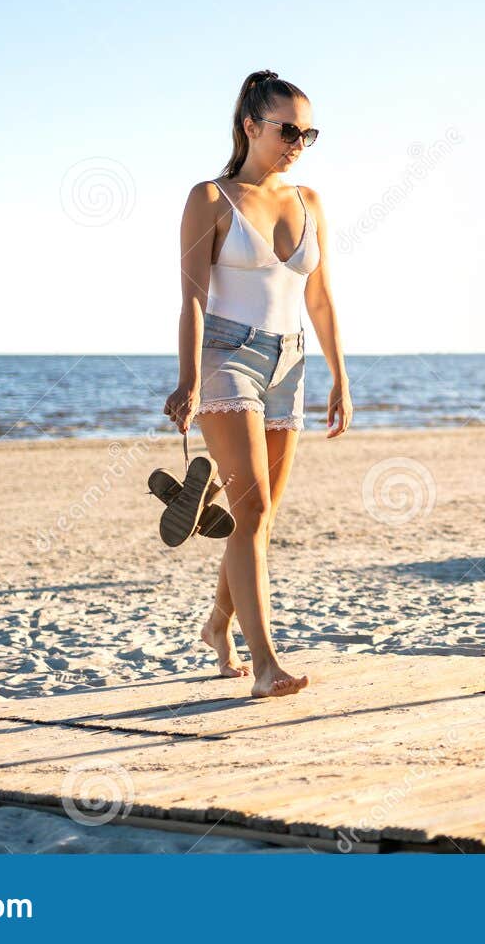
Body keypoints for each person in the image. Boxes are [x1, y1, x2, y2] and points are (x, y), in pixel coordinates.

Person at [163, 70, 352, 698]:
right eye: (288, 128)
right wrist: (188, 379)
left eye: (308, 131)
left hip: (290, 363)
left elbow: (320, 298)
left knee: (258, 519)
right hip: (227, 355)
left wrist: (340, 377)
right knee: (252, 510)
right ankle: (266, 664)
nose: (299, 140)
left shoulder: (310, 202)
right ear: (251, 126)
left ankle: (218, 626)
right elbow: (190, 299)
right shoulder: (210, 198)